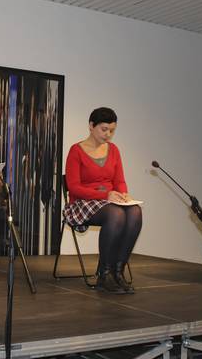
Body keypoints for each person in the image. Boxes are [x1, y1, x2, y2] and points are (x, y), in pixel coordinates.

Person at [63, 107, 142, 294]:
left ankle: (118, 271)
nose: (108, 134)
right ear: (91, 126)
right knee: (116, 214)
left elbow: (119, 181)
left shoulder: (113, 150)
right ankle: (104, 275)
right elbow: (74, 187)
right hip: (82, 202)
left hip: (109, 201)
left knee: (135, 212)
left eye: (112, 130)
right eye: (104, 129)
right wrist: (105, 195)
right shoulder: (76, 150)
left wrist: (124, 194)